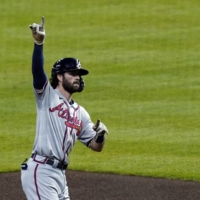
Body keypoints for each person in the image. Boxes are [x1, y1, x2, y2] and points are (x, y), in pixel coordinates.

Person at [21, 16, 109, 200]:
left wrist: (100, 135)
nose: (78, 77)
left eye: (79, 74)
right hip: (41, 171)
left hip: (60, 176)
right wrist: (39, 43)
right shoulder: (47, 96)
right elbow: (38, 72)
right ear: (60, 77)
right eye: (73, 73)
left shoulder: (81, 113)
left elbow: (95, 146)